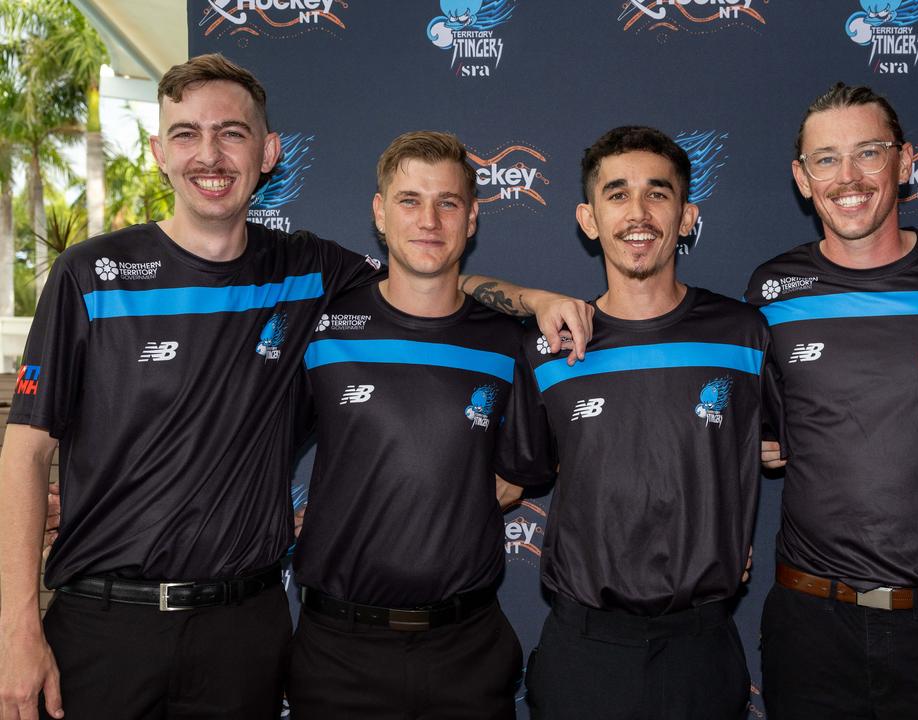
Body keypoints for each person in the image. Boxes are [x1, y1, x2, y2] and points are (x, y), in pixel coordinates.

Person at [0, 54, 586, 720]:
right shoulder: (91, 274)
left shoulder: (311, 274)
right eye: (187, 133)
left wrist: (533, 298)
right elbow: (23, 452)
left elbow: (431, 279)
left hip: (244, 632)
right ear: (160, 151)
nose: (209, 154)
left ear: (268, 151)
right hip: (105, 624)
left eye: (232, 132)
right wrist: (15, 627)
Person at [496, 126, 784, 720]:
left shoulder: (744, 334)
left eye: (658, 194)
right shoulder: (548, 348)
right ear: (588, 217)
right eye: (617, 194)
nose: (638, 213)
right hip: (584, 647)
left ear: (686, 217)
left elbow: (796, 446)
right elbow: (514, 477)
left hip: (701, 646)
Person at [742, 83, 918, 719]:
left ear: (906, 162)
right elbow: (761, 427)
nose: (847, 177)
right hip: (812, 624)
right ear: (802, 179)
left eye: (868, 152)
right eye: (825, 159)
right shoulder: (771, 288)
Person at [285, 130, 531, 719]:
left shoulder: (507, 342)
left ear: (471, 218)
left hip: (466, 648)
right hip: (338, 648)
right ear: (379, 212)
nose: (429, 220)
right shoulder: (324, 329)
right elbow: (245, 442)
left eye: (447, 202)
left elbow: (518, 476)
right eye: (409, 200)